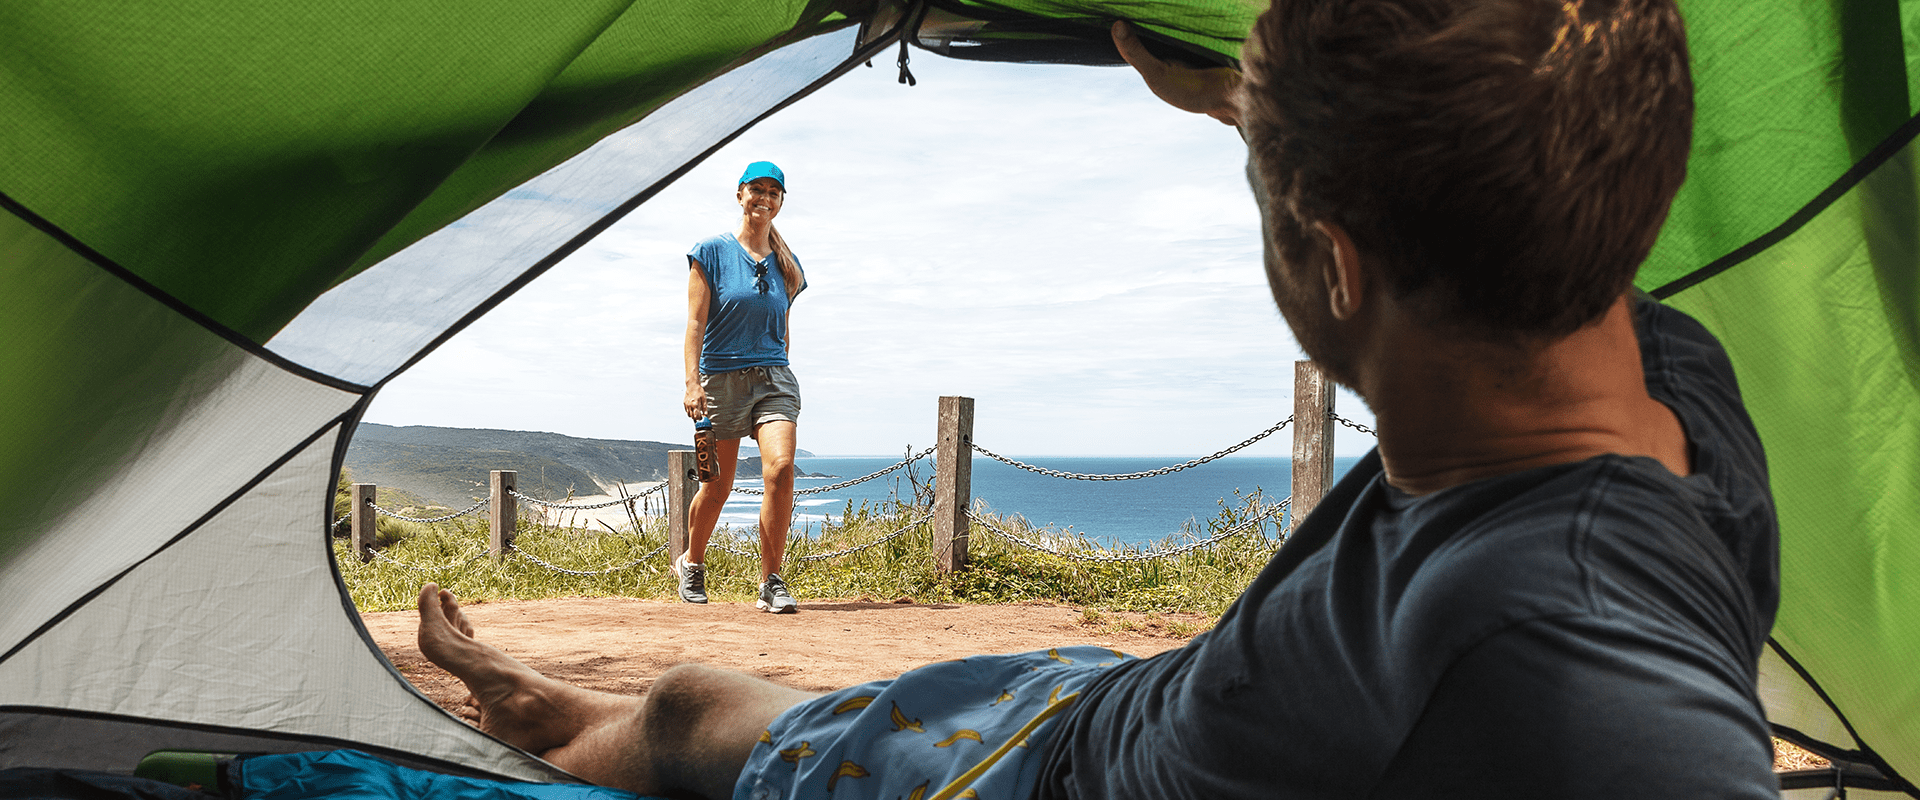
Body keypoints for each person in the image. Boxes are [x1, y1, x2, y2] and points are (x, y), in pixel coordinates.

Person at [417, 1, 1781, 797]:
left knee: (687, 708)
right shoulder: (1664, 371)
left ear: (1340, 266)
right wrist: (1270, 111)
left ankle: (546, 730)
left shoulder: (1555, 641)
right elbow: (1520, 148)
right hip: (1132, 699)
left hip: (1042, 777)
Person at [677, 161, 807, 613]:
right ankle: (692, 562)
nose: (764, 198)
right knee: (717, 484)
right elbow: (695, 322)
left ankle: (771, 581)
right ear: (740, 194)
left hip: (773, 379)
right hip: (720, 379)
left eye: (774, 192)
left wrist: (779, 363)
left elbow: (784, 328)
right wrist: (692, 383)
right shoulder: (710, 252)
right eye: (757, 189)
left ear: (780, 202)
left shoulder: (789, 266)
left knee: (781, 469)